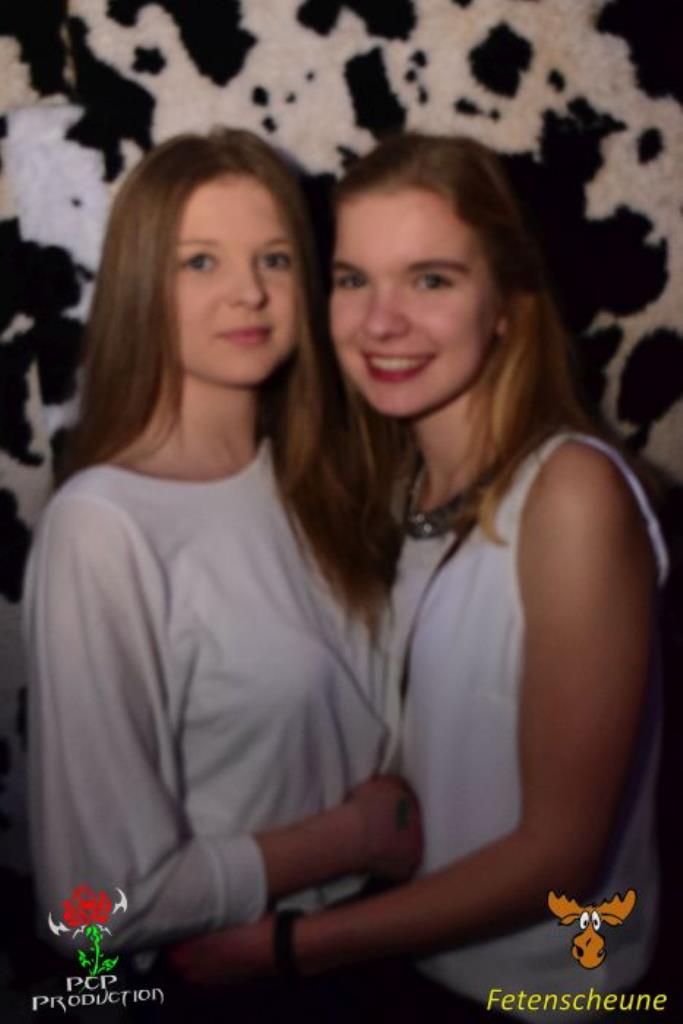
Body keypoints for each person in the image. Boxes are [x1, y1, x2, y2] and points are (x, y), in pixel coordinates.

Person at [170, 134, 668, 1020]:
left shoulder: (570, 494)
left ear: (506, 304)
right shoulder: (395, 488)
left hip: (543, 1001)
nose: (379, 322)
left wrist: (285, 947)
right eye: (353, 279)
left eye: (430, 280)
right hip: (411, 972)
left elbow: (559, 857)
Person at [23, 129, 422, 964]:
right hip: (243, 981)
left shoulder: (327, 484)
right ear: (141, 286)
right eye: (200, 262)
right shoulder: (103, 528)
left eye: (274, 260)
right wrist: (352, 839)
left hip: (389, 947)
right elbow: (91, 909)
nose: (249, 293)